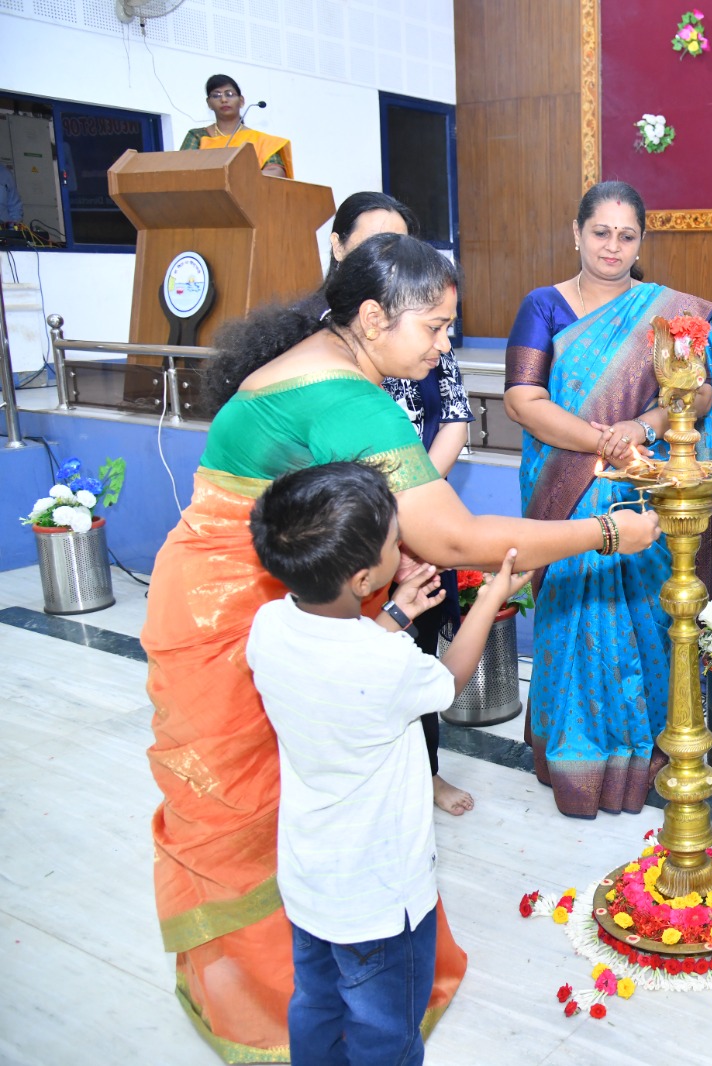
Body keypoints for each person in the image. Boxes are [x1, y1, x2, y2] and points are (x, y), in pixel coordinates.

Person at [141, 232, 659, 1059]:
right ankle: (275, 1005)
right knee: (254, 805)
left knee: (295, 784)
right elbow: (453, 540)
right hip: (230, 606)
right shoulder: (353, 402)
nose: (446, 346)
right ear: (374, 317)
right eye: (437, 327)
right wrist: (602, 532)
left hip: (224, 595)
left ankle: (299, 1007)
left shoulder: (319, 362)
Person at [247, 462, 530, 1066]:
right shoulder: (385, 664)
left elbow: (343, 664)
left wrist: (395, 615)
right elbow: (447, 682)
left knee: (316, 1003)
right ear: (362, 577)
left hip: (310, 881)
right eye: (395, 541)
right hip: (381, 898)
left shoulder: (268, 626)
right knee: (385, 1032)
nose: (403, 547)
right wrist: (491, 599)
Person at [502, 179, 712, 819]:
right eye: (600, 232)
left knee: (647, 620)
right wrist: (604, 441)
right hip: (566, 489)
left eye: (627, 235)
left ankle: (646, 758)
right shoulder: (543, 306)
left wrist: (642, 429)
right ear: (576, 233)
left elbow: (698, 394)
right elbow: (522, 400)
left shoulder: (668, 315)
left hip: (640, 490)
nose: (612, 246)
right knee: (576, 617)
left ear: (641, 242)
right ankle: (580, 760)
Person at [310, 191, 478, 817]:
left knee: (413, 655)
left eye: (402, 243)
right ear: (338, 248)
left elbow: (454, 418)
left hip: (416, 516)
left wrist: (415, 503)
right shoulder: (320, 344)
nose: (389, 255)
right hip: (348, 530)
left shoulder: (428, 333)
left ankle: (422, 772)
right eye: (373, 242)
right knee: (349, 667)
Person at [179, 73, 291, 178]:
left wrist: (240, 177)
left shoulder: (262, 141)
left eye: (229, 94)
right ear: (209, 103)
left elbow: (276, 172)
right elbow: (181, 170)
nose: (223, 99)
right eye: (216, 95)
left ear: (241, 101)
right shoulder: (198, 136)